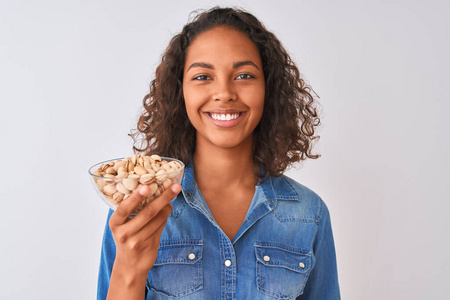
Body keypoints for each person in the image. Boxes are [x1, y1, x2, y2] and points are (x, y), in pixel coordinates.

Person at [97, 6, 340, 300]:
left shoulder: (309, 214)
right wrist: (128, 271)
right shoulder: (138, 209)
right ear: (180, 91)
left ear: (269, 88)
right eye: (202, 77)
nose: (224, 93)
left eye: (244, 75)